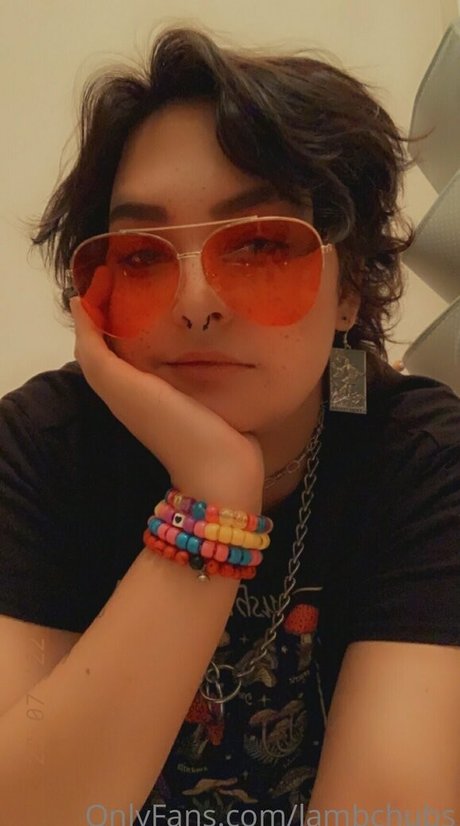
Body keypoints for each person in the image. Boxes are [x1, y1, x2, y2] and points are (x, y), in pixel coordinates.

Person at [0, 22, 459, 825]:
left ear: (350, 286)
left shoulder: (424, 460)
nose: (194, 303)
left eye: (260, 246)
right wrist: (214, 495)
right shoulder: (42, 447)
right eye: (142, 256)